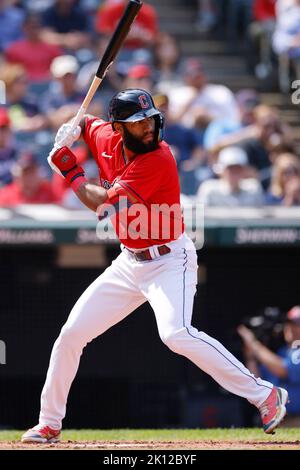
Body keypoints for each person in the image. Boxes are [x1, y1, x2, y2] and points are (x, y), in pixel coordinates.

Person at [21, 88, 288, 443]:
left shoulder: (158, 158)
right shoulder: (105, 136)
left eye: (150, 120)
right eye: (138, 123)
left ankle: (266, 394)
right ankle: (49, 422)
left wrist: (70, 170)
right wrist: (71, 126)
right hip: (128, 262)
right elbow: (86, 122)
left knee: (175, 334)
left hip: (168, 260)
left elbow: (101, 205)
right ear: (119, 129)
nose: (148, 128)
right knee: (70, 336)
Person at [238, 306, 300, 425]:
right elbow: (257, 380)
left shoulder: (295, 352)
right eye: (289, 323)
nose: (291, 328)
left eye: (297, 324)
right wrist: (250, 357)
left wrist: (254, 344)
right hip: (276, 419)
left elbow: (283, 369)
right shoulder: (282, 352)